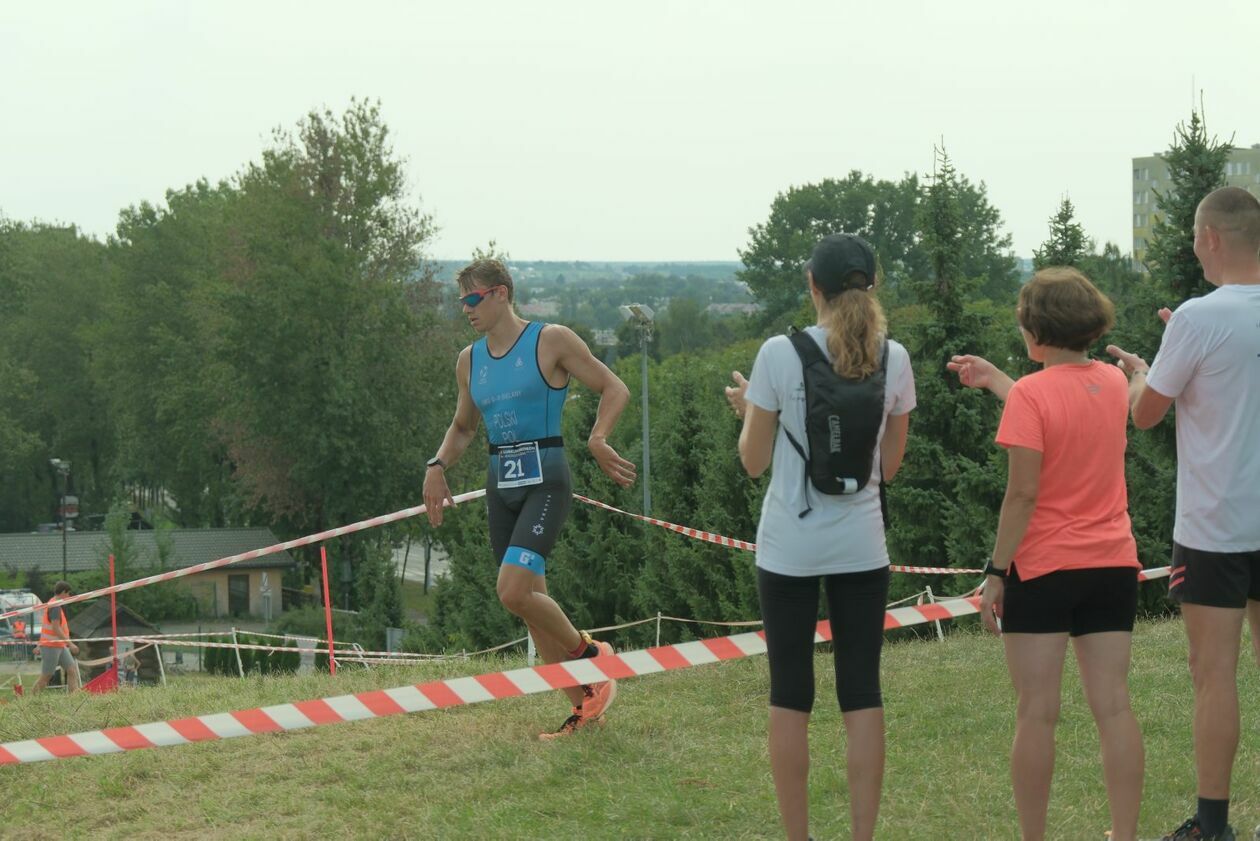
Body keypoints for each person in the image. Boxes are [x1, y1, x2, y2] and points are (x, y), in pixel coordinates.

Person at [725, 233, 915, 841]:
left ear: (813, 285)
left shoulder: (779, 354)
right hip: (863, 546)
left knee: (791, 694)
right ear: (873, 285)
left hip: (789, 545)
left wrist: (751, 414)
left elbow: (752, 462)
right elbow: (889, 465)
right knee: (862, 692)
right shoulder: (897, 359)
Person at [948, 267, 1145, 841]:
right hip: (1112, 564)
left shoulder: (1032, 395)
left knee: (1037, 712)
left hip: (1043, 568)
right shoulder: (1109, 381)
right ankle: (1125, 834)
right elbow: (1064, 403)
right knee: (1113, 705)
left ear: (1035, 331)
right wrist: (997, 380)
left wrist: (995, 571)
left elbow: (1024, 492)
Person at [422, 258, 637, 740]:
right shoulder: (469, 360)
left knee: (513, 590)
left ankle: (591, 658)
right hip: (502, 485)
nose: (466, 310)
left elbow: (614, 388)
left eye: (473, 299)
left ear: (500, 294)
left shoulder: (550, 340)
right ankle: (584, 705)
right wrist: (437, 466)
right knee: (527, 602)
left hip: (546, 479)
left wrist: (598, 438)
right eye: (462, 302)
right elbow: (463, 427)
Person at [1107, 186, 1260, 841]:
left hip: (1217, 524)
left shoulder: (1199, 318)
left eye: (1197, 235)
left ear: (1213, 238)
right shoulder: (1202, 320)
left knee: (1214, 674)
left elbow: (1144, 413)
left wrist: (1144, 369)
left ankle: (1214, 824)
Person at [32, 581, 81, 694]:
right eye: (68, 593)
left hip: (59, 645)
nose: (69, 597)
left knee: (71, 670)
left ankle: (75, 696)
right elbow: (56, 628)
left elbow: (46, 628)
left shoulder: (54, 604)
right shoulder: (55, 607)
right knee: (46, 676)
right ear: (63, 592)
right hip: (51, 646)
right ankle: (31, 699)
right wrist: (71, 644)